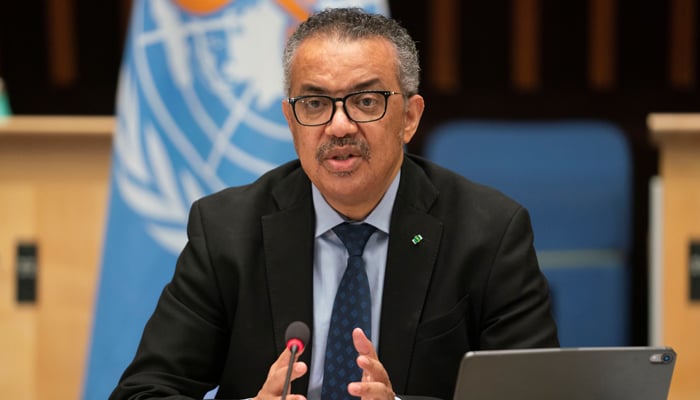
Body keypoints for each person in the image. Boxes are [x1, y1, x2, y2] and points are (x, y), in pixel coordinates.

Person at [111, 7, 559, 400]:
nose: (339, 125)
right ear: (291, 121)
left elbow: (538, 396)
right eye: (315, 103)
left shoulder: (489, 233)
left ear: (410, 117)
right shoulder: (226, 231)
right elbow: (143, 392)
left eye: (365, 101)